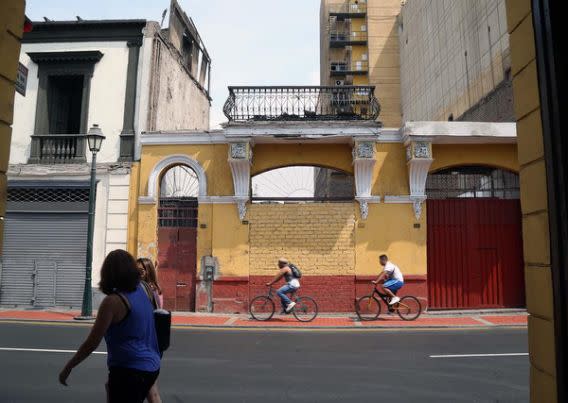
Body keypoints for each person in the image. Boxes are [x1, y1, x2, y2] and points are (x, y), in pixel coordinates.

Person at [59, 249, 161, 403]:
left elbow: (92, 343)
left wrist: (69, 366)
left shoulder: (112, 302)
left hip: (128, 371)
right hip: (152, 365)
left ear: (108, 273)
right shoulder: (143, 288)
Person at [136, 258, 163, 403]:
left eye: (140, 271)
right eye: (134, 271)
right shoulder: (154, 288)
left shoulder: (143, 289)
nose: (137, 274)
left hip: (145, 346)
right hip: (153, 345)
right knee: (152, 391)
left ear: (147, 272)